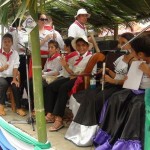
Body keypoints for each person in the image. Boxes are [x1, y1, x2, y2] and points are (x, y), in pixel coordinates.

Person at [65, 32, 136, 146]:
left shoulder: (134, 60)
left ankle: (92, 132)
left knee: (97, 99)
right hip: (112, 84)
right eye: (119, 43)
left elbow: (129, 81)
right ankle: (80, 130)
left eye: (123, 43)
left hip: (121, 88)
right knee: (89, 94)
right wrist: (107, 71)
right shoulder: (121, 57)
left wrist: (113, 80)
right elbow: (117, 74)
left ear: (131, 44)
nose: (120, 46)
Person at [93, 33, 150, 150]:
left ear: (141, 54)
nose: (131, 53)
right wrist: (131, 79)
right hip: (137, 90)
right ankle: (112, 134)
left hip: (147, 94)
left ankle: (129, 142)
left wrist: (148, 71)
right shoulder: (138, 61)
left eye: (133, 51)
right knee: (116, 98)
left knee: (136, 105)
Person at [44, 36, 94, 132]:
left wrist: (65, 66)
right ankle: (50, 113)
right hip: (73, 77)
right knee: (51, 86)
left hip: (83, 80)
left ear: (88, 46)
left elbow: (79, 73)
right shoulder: (78, 57)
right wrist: (65, 66)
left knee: (63, 88)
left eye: (83, 45)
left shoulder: (90, 57)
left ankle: (59, 119)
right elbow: (71, 72)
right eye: (78, 45)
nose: (81, 47)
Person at [29, 40, 62, 110]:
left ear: (57, 49)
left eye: (52, 47)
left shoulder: (58, 58)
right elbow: (44, 69)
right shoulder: (49, 58)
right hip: (46, 76)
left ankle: (40, 106)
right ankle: (33, 103)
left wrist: (44, 74)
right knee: (29, 82)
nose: (50, 49)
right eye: (49, 47)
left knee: (38, 84)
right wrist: (40, 72)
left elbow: (56, 71)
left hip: (53, 77)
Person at [0, 33, 26, 116]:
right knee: (3, 84)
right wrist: (2, 68)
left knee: (15, 86)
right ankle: (1, 106)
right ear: (2, 42)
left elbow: (15, 67)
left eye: (9, 41)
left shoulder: (15, 53)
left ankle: (18, 108)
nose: (7, 43)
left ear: (12, 43)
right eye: (5, 41)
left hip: (11, 76)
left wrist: (14, 79)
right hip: (1, 75)